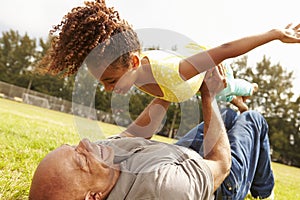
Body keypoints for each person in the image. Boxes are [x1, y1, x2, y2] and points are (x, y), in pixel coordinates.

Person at [29, 66, 274, 199]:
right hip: (218, 183)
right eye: (81, 158)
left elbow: (136, 133)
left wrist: (166, 90)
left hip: (178, 158)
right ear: (93, 197)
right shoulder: (164, 189)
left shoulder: (99, 160)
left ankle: (234, 108)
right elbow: (220, 164)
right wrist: (208, 94)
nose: (84, 142)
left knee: (229, 115)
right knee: (253, 120)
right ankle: (265, 192)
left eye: (73, 146)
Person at [38, 0, 300, 116]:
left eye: (110, 80)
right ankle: (239, 104)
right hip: (189, 75)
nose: (107, 89)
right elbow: (160, 102)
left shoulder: (174, 71)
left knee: (230, 91)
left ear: (134, 64)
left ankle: (247, 91)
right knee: (226, 99)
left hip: (214, 69)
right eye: (103, 83)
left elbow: (226, 48)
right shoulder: (134, 74)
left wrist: (274, 34)